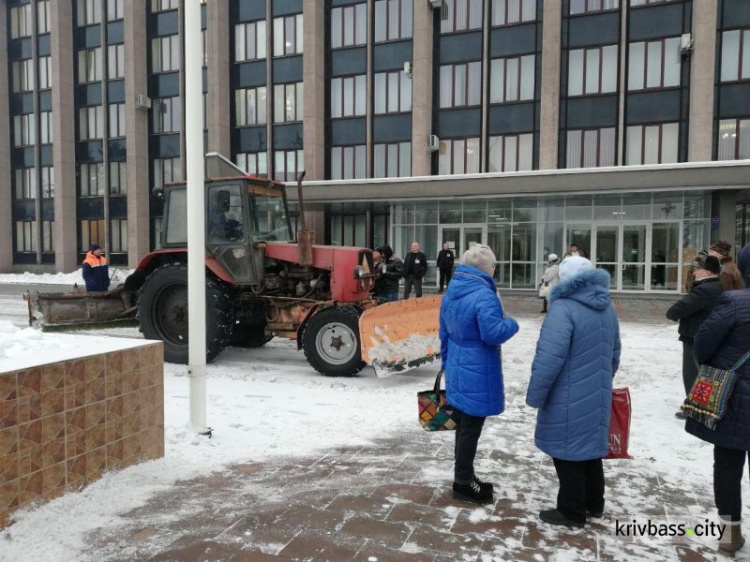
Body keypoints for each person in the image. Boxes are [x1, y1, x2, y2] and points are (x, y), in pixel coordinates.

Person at [526, 256, 621, 528]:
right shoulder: (606, 306)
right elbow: (615, 352)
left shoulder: (563, 308)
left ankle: (571, 510)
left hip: (566, 394)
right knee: (589, 449)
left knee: (567, 451)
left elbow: (549, 358)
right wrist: (601, 380)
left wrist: (536, 395)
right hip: (596, 391)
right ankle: (594, 503)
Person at [440, 244, 519, 504]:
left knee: (463, 426)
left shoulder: (452, 290)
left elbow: (443, 332)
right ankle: (462, 483)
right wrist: (512, 323)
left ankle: (465, 475)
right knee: (470, 429)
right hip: (477, 369)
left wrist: (447, 363)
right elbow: (493, 332)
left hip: (458, 366)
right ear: (488, 269)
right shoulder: (484, 295)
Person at [685, 244, 750, 555]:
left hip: (735, 399)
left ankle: (729, 534)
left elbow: (702, 347)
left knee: (727, 465)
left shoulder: (734, 303)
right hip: (738, 397)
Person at [666, 255, 723, 419]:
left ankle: (694, 408)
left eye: (697, 269)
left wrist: (672, 314)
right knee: (700, 374)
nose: (694, 272)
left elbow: (681, 308)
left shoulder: (705, 289)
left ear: (707, 272)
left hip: (695, 337)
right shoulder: (715, 286)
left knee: (692, 374)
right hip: (703, 335)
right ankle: (699, 406)